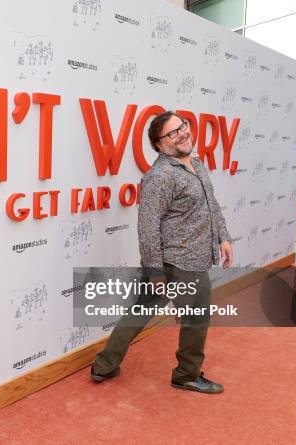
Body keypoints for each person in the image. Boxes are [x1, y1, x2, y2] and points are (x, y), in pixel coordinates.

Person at [90, 111, 233, 394]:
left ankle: (104, 365)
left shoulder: (196, 163)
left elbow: (211, 205)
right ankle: (186, 374)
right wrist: (154, 270)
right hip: (180, 261)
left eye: (182, 126)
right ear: (158, 144)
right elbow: (147, 228)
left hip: (185, 257)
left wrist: (224, 237)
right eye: (172, 133)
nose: (182, 133)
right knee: (196, 319)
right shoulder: (160, 176)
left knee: (139, 312)